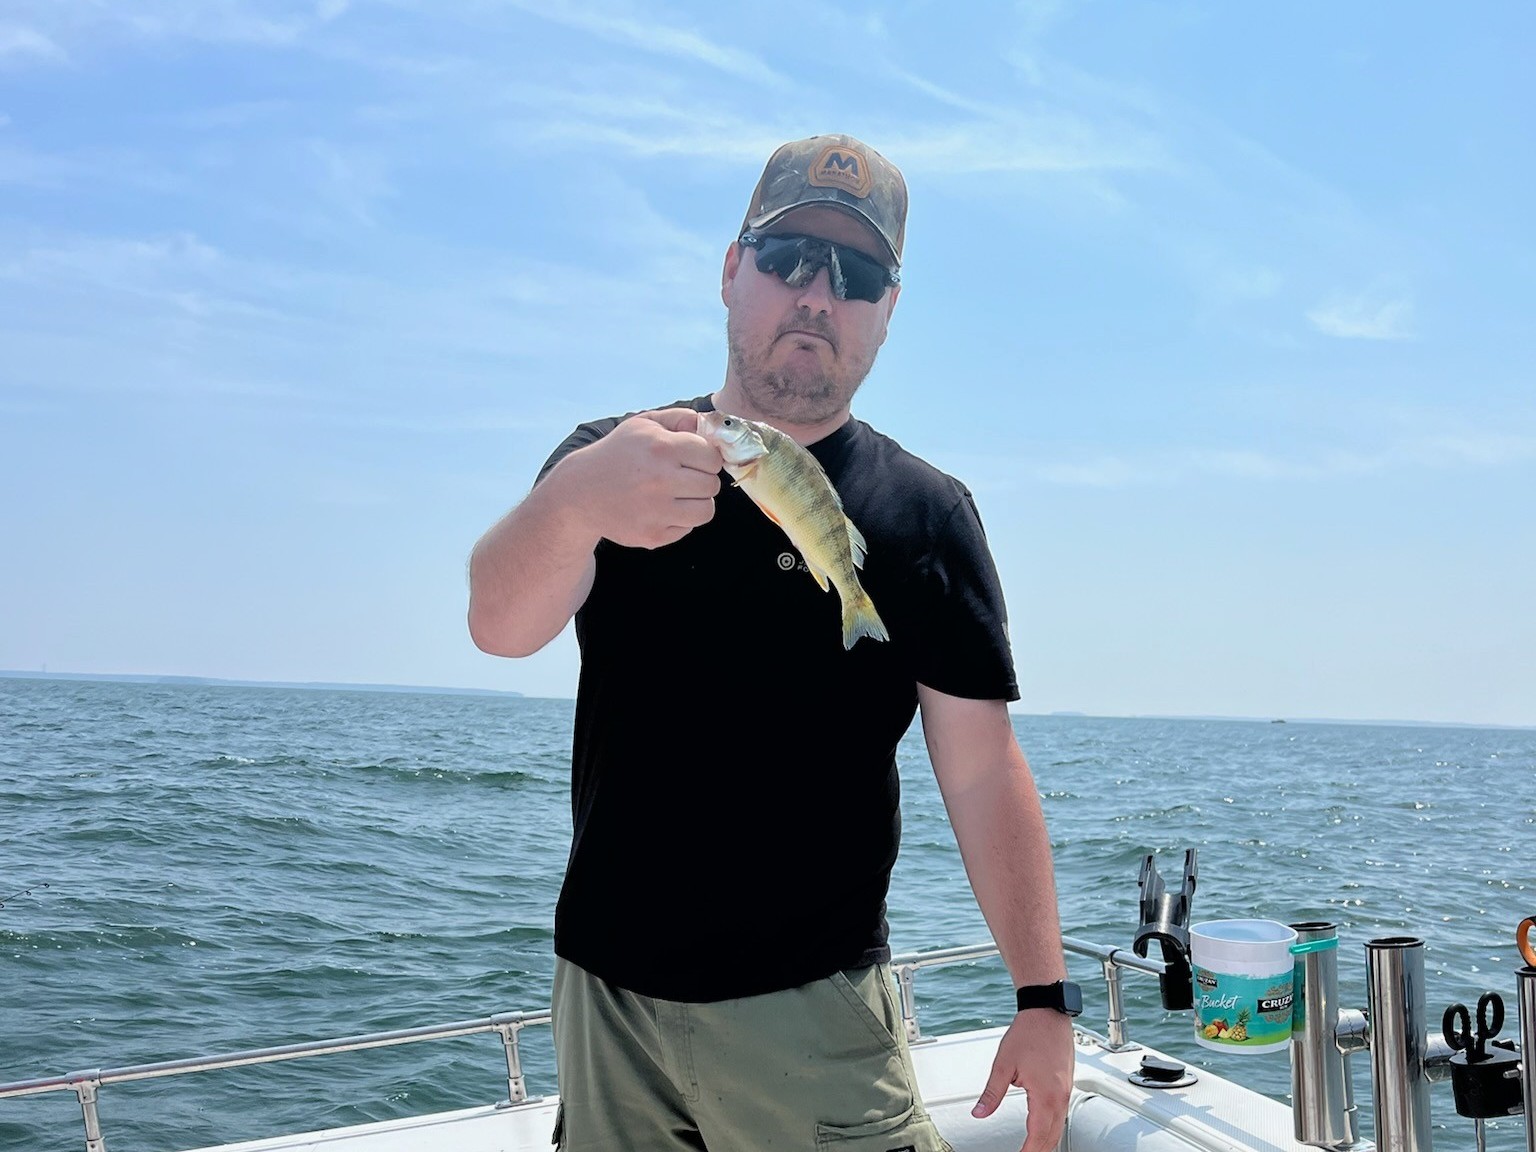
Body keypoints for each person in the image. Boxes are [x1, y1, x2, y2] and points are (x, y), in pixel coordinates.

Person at [468, 133, 1075, 1152]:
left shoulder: (924, 514)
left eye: (856, 275)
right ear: (730, 270)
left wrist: (1044, 997)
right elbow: (498, 627)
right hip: (605, 1007)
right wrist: (571, 504)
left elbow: (980, 768)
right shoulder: (610, 460)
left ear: (887, 311)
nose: (817, 295)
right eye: (789, 256)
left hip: (815, 1014)